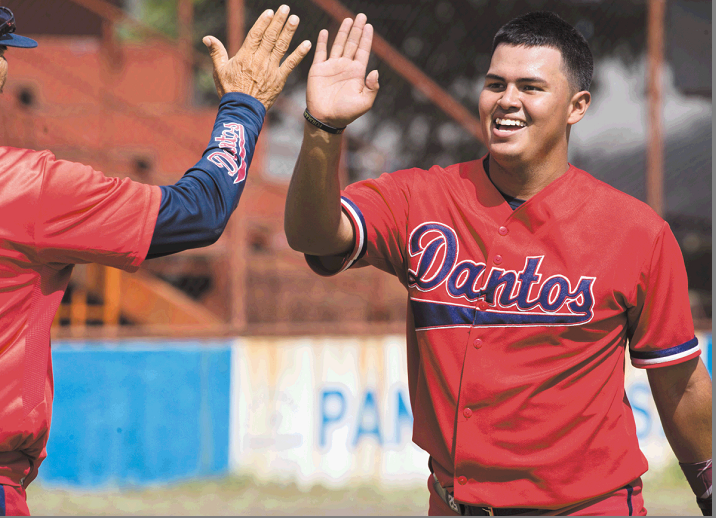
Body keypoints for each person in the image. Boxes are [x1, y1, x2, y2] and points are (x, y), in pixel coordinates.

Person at [284, 11, 712, 516]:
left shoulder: (637, 232)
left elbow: (679, 381)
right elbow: (313, 235)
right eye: (495, 84)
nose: (507, 99)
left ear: (577, 106)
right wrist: (324, 129)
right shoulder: (420, 198)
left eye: (531, 87)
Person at [0, 0, 311, 514]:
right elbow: (200, 211)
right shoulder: (22, 185)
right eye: (1, 55)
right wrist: (243, 107)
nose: (7, 70)